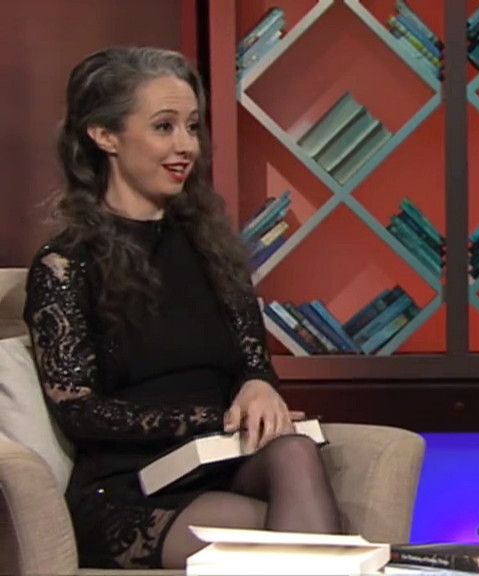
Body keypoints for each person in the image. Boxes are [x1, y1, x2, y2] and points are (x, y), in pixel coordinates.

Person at [23, 46, 343, 569]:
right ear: (104, 136)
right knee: (305, 539)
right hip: (131, 485)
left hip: (222, 462)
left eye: (192, 127)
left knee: (294, 452)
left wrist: (258, 386)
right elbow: (80, 411)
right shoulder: (65, 265)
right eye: (164, 127)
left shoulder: (212, 249)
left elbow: (252, 361)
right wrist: (212, 418)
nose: (186, 146)